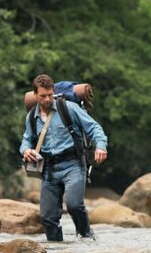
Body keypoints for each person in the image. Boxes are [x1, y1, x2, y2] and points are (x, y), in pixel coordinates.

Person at [20, 74, 108, 241]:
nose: (47, 99)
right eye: (42, 96)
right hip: (49, 170)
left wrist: (101, 146)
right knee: (48, 218)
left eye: (50, 94)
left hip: (73, 164)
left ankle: (86, 237)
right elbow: (26, 139)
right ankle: (57, 250)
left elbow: (94, 128)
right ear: (35, 95)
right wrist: (25, 150)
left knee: (74, 205)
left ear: (53, 91)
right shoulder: (31, 117)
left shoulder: (69, 108)